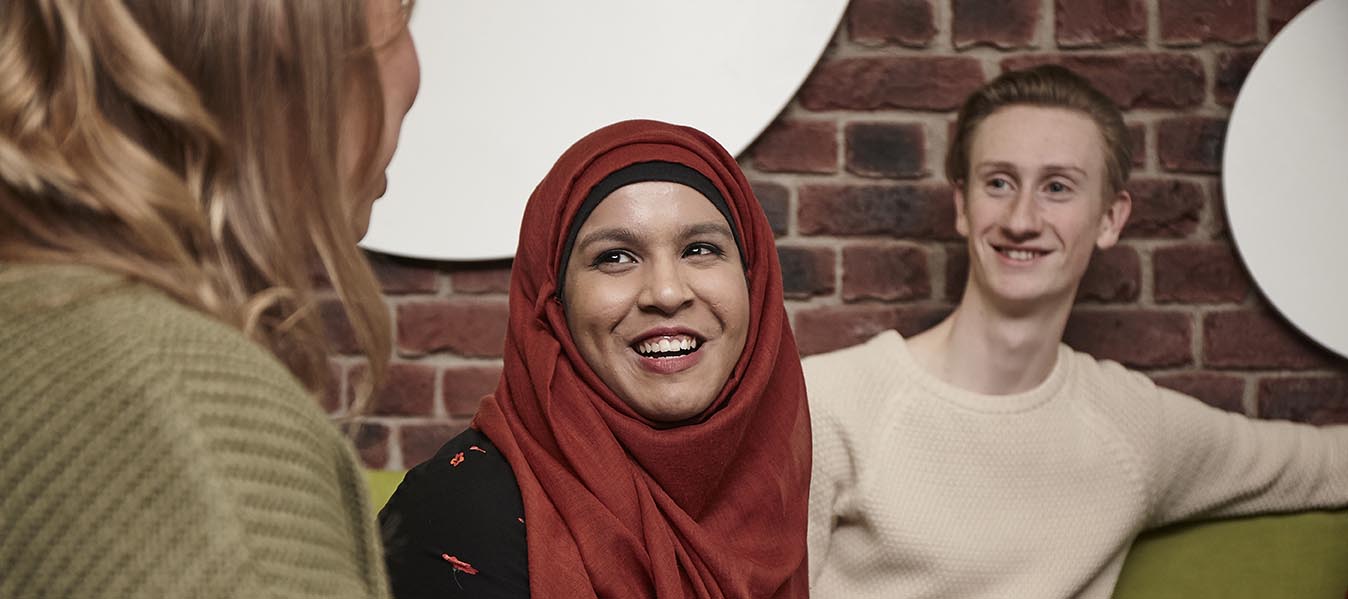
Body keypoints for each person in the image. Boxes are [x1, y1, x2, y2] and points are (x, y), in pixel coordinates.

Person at [805, 65, 1348, 598]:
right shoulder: (829, 402)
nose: (1022, 218)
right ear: (962, 206)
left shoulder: (1136, 428)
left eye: (1057, 188)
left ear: (1110, 219)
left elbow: (1325, 464)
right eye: (999, 182)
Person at [0, 1, 419, 597]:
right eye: (404, 22)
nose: (416, 76)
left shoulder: (40, 323)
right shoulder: (186, 418)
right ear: (288, 28)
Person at [379, 119, 811, 598]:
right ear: (555, 302)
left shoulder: (766, 496)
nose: (667, 292)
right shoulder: (459, 512)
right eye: (616, 258)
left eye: (700, 249)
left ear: (754, 283)